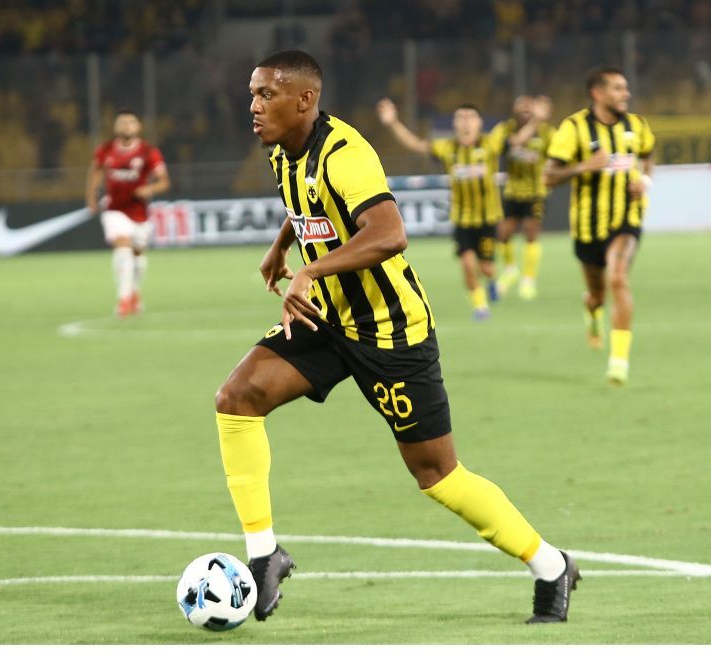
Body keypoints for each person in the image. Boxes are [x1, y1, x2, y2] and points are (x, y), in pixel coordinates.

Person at [216, 49, 579, 625]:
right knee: (237, 398)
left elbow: (389, 233)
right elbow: (307, 200)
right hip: (326, 318)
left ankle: (551, 565)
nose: (254, 107)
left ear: (305, 99)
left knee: (437, 475)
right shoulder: (282, 148)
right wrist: (283, 244)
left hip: (392, 332)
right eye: (252, 94)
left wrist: (309, 271)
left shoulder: (346, 153)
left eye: (266, 95)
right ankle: (264, 556)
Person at [544, 66, 655, 384]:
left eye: (626, 88)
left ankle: (618, 362)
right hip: (587, 228)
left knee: (618, 278)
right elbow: (549, 176)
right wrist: (584, 166)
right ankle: (592, 309)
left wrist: (644, 181)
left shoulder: (637, 125)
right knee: (598, 294)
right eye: (618, 88)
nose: (626, 94)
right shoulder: (574, 128)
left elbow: (648, 156)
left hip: (626, 219)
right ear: (598, 93)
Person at [376, 98, 503, 320]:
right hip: (462, 220)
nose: (466, 122)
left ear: (479, 123)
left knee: (486, 268)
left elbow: (518, 139)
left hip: (488, 218)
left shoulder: (490, 144)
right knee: (467, 264)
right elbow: (415, 145)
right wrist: (392, 122)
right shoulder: (447, 148)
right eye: (461, 118)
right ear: (454, 124)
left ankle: (492, 281)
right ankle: (481, 307)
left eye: (470, 117)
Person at [86, 110, 170, 317]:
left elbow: (164, 181)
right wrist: (91, 199)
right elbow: (95, 173)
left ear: (138, 126)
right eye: (122, 122)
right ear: (116, 127)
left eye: (130, 122)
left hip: (139, 213)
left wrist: (149, 189)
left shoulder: (148, 152)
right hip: (114, 210)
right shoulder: (105, 150)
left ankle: (134, 290)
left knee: (137, 255)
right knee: (123, 246)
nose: (126, 125)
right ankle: (123, 300)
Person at [492, 95, 556, 300]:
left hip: (536, 192)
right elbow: (507, 144)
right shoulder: (505, 129)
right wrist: (536, 120)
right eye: (521, 106)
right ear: (514, 109)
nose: (525, 109)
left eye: (530, 107)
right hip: (512, 191)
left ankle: (528, 280)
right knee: (503, 233)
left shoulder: (547, 132)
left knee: (531, 233)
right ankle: (510, 270)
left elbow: (560, 156)